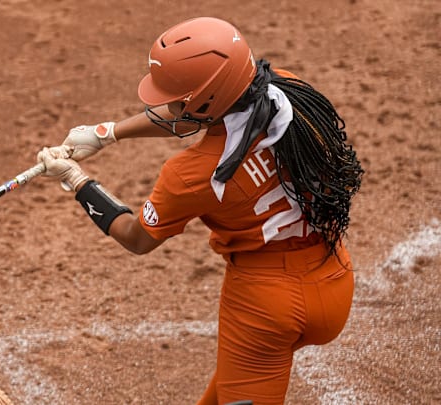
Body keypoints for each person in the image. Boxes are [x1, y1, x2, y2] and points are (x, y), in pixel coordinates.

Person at [36, 16, 364, 405]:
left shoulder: (190, 174)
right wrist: (108, 133)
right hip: (334, 276)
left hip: (265, 310)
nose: (166, 103)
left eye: (175, 97)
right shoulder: (289, 95)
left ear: (203, 100)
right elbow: (200, 115)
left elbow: (136, 238)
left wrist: (77, 181)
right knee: (226, 392)